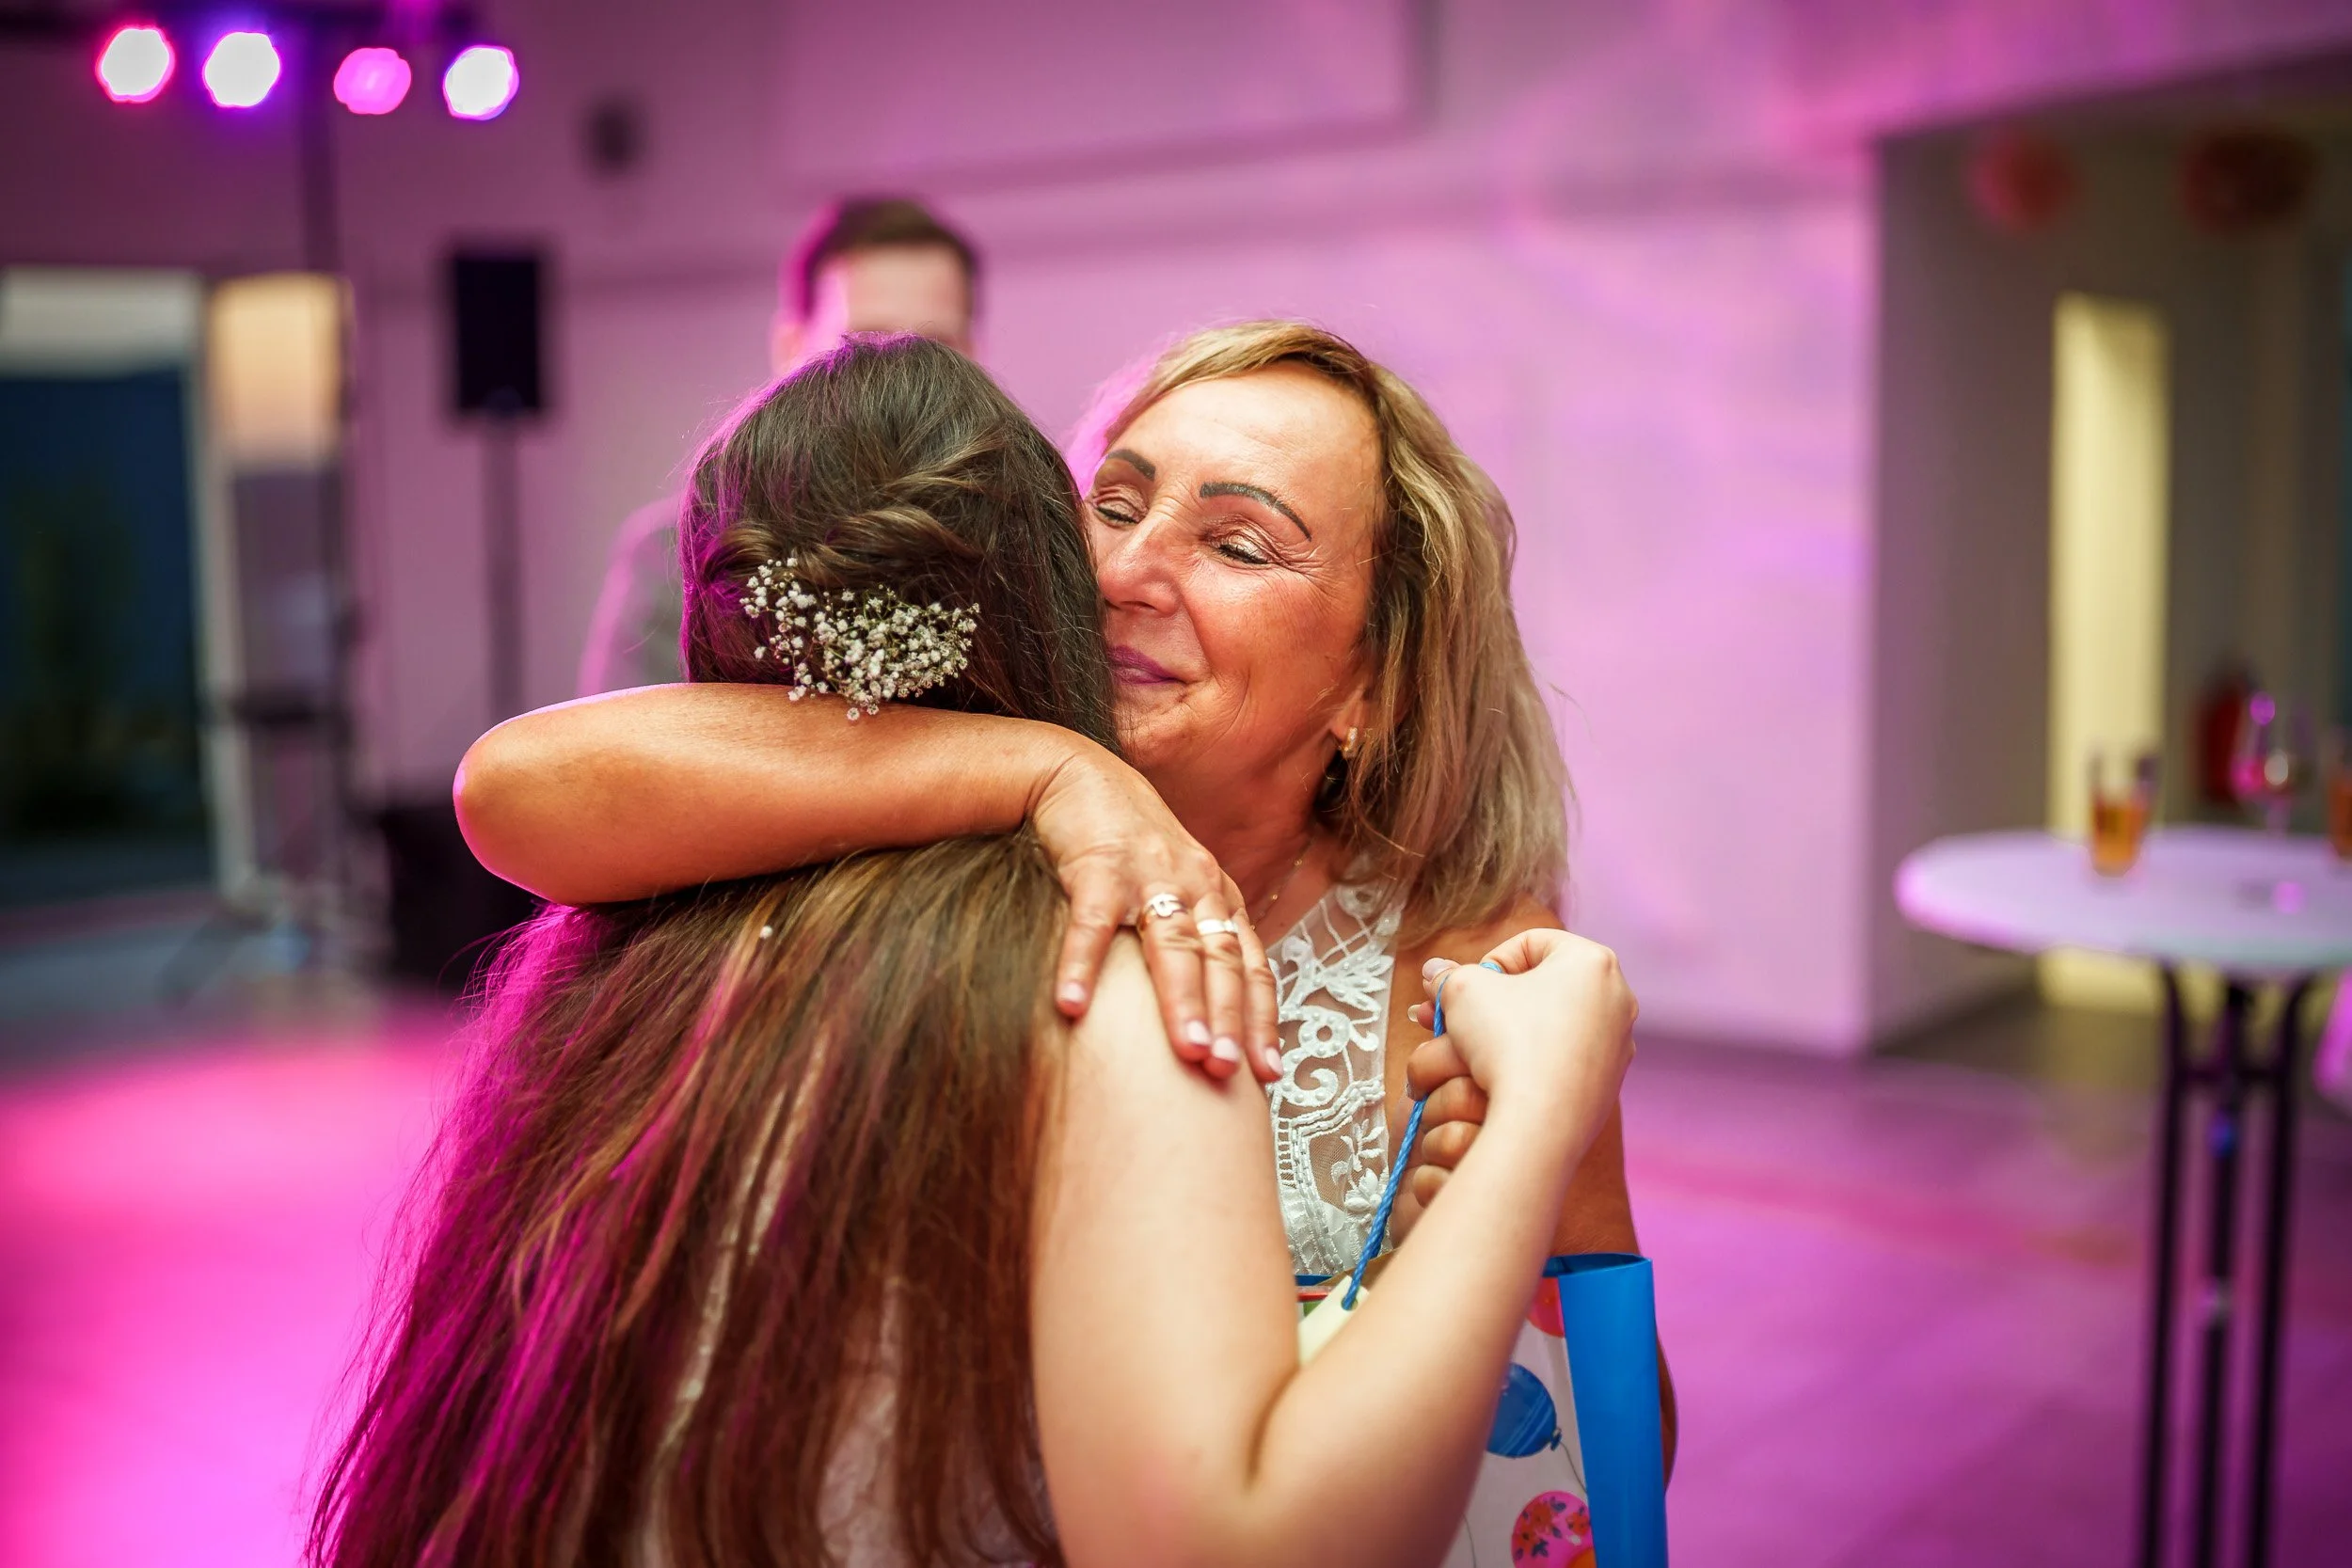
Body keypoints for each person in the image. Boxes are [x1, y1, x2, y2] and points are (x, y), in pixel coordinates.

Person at [314, 335, 1641, 1567]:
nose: (1127, 572)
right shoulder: (923, 835)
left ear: (1374, 682)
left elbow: (1603, 1452)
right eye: (1113, 505)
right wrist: (1043, 765)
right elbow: (518, 781)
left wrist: (1458, 1239)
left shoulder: (1472, 962)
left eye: (1238, 544)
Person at [576, 198, 981, 696]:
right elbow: (618, 760)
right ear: (791, 351)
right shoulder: (678, 553)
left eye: (933, 349)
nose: (900, 381)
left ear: (973, 358)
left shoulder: (1015, 545)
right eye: (866, 343)